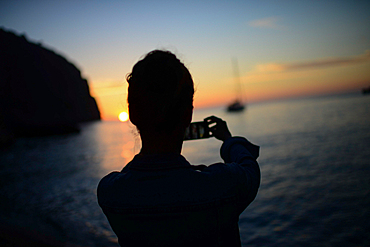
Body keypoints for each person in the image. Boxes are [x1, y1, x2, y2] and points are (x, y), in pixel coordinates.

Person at [97, 50, 260, 247]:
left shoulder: (110, 193)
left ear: (132, 113)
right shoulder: (223, 185)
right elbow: (250, 167)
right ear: (188, 114)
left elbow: (129, 178)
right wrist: (228, 141)